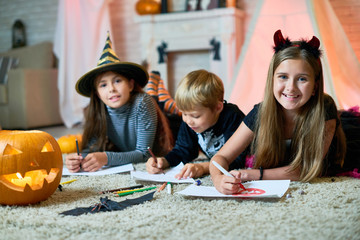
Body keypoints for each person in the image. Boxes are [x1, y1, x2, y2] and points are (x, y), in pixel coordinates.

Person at [210, 30, 360, 195]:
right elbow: (220, 158)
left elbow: (306, 169)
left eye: (302, 79)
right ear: (272, 79)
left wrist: (251, 174)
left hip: (347, 140)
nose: (291, 88)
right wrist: (218, 180)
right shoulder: (260, 113)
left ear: (315, 86)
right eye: (283, 77)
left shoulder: (325, 108)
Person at [65, 34, 173, 173]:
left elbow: (144, 153)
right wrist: (78, 159)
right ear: (97, 93)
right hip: (128, 147)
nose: (111, 89)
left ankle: (156, 83)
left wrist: (106, 158)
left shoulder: (142, 102)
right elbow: (92, 148)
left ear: (130, 84)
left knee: (164, 102)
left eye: (117, 81)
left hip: (171, 130)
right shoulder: (98, 110)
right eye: (103, 85)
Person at [146, 69, 246, 179]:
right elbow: (183, 151)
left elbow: (239, 161)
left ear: (218, 107)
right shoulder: (190, 122)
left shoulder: (232, 117)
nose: (188, 120)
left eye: (195, 116)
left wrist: (203, 167)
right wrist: (163, 161)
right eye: (183, 113)